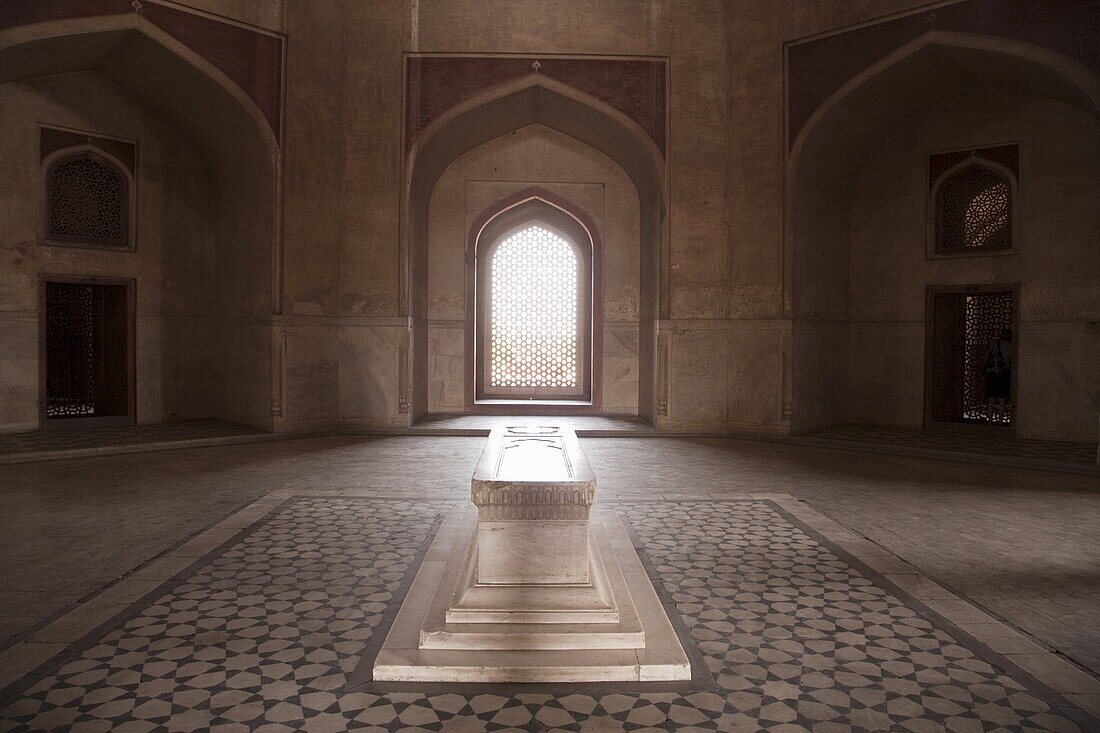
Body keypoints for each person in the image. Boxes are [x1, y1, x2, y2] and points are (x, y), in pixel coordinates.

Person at [982, 329, 1012, 425]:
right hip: (1004, 374)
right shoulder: (1012, 346)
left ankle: (989, 421)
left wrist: (984, 367)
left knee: (991, 398)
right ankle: (1000, 422)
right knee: (1002, 399)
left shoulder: (995, 343)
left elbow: (987, 354)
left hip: (993, 374)